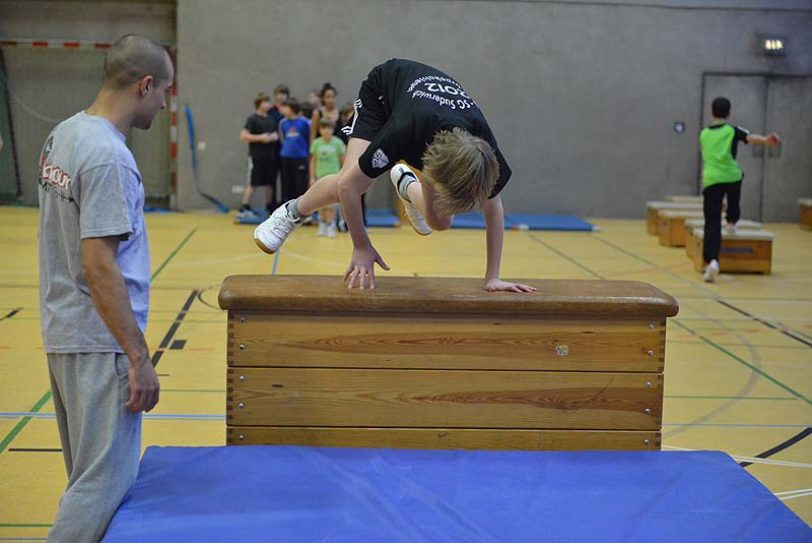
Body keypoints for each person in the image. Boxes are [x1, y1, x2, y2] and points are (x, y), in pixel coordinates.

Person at [37, 34, 171, 541]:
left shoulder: (64, 135)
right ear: (144, 85)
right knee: (101, 487)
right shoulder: (108, 157)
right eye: (164, 92)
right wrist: (138, 358)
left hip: (65, 333)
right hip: (99, 343)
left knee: (85, 481)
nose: (164, 103)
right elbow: (99, 266)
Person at [254, 58, 534, 293]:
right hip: (383, 96)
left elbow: (493, 209)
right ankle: (291, 212)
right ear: (433, 169)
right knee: (347, 179)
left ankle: (406, 184)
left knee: (440, 221)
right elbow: (349, 190)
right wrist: (361, 246)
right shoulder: (402, 131)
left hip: (433, 123)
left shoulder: (482, 153)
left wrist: (492, 277)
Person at [699, 97, 780, 283]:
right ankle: (732, 221)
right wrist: (768, 140)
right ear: (728, 113)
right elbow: (750, 138)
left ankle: (712, 261)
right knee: (734, 195)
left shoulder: (703, 133)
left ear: (712, 113)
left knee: (711, 222)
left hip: (711, 179)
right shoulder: (732, 130)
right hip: (731, 176)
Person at [236, 92, 279, 219]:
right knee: (253, 182)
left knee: (270, 183)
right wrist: (260, 138)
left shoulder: (271, 120)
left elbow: (276, 134)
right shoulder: (252, 119)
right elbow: (243, 136)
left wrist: (273, 137)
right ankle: (244, 206)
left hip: (270, 156)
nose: (268, 104)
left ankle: (269, 206)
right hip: (256, 156)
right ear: (259, 104)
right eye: (265, 102)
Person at [310, 118, 346, 238]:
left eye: (329, 128)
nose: (327, 131)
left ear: (333, 129)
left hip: (333, 177)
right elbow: (313, 161)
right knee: (320, 202)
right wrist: (312, 177)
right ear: (320, 130)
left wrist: (342, 176)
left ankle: (331, 225)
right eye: (324, 128)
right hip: (320, 176)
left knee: (332, 204)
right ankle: (322, 224)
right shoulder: (316, 143)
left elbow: (343, 161)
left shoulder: (338, 143)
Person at [278, 97, 311, 202]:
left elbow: (308, 138)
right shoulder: (282, 123)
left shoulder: (305, 122)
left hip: (300, 157)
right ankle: (287, 210)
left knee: (300, 184)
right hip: (286, 157)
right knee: (287, 184)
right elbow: (283, 139)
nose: (282, 110)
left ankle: (300, 209)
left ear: (291, 108)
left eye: (285, 107)